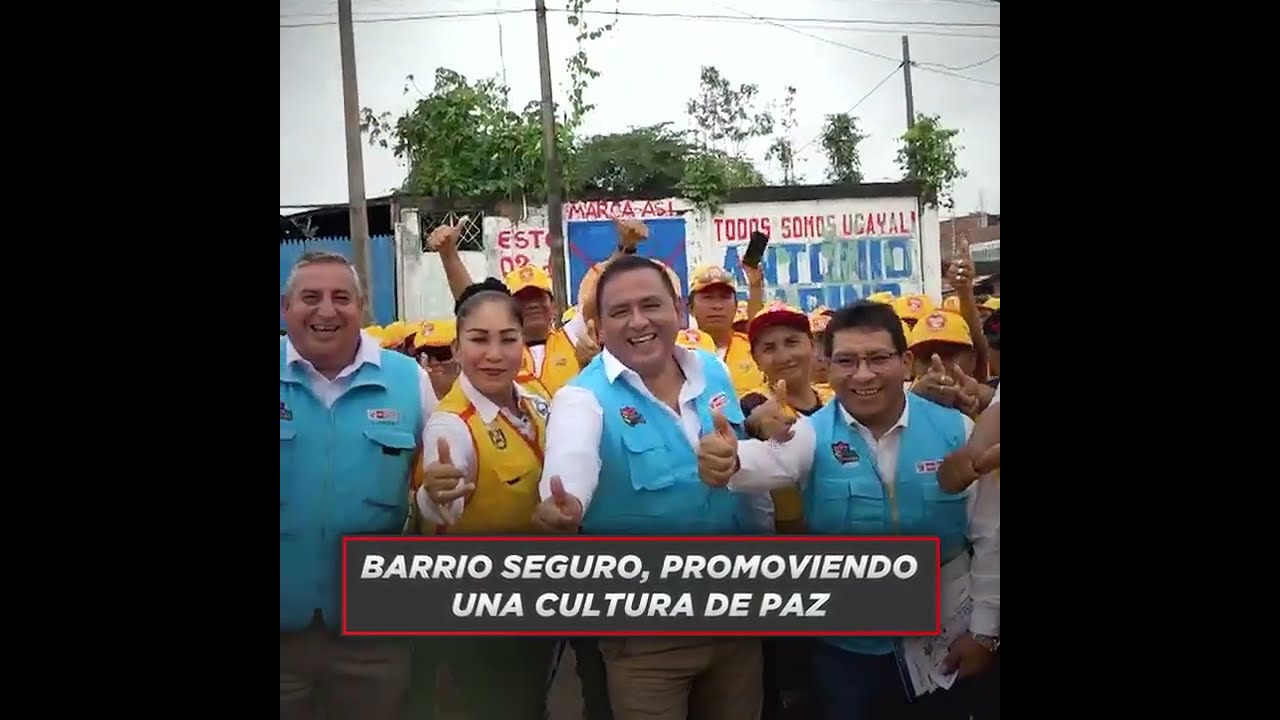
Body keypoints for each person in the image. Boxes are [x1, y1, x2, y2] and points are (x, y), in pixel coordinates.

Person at [728, 301, 999, 720]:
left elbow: (989, 534)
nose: (863, 375)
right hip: (847, 649)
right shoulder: (811, 434)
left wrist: (984, 632)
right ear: (827, 365)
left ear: (905, 362)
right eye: (847, 361)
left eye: (877, 358)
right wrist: (728, 457)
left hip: (946, 641)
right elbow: (763, 463)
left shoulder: (956, 429)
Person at [533, 254, 764, 720]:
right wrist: (563, 504)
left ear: (678, 311)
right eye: (620, 311)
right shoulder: (581, 397)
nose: (638, 322)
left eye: (651, 305)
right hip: (647, 639)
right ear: (598, 329)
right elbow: (571, 457)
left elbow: (744, 468)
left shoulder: (711, 371)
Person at [279, 251, 438, 720]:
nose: (326, 310)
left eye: (341, 297)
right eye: (311, 297)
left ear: (362, 307)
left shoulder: (409, 380)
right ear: (286, 308)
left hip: (373, 634)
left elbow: (440, 486)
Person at [411, 278, 556, 720]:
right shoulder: (451, 424)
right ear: (457, 348)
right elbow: (443, 500)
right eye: (479, 340)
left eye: (507, 339)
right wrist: (433, 494)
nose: (494, 354)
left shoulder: (535, 403)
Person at [411, 318, 460, 399]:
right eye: (426, 356)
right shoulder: (413, 400)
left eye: (442, 355)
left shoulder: (476, 399)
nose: (433, 362)